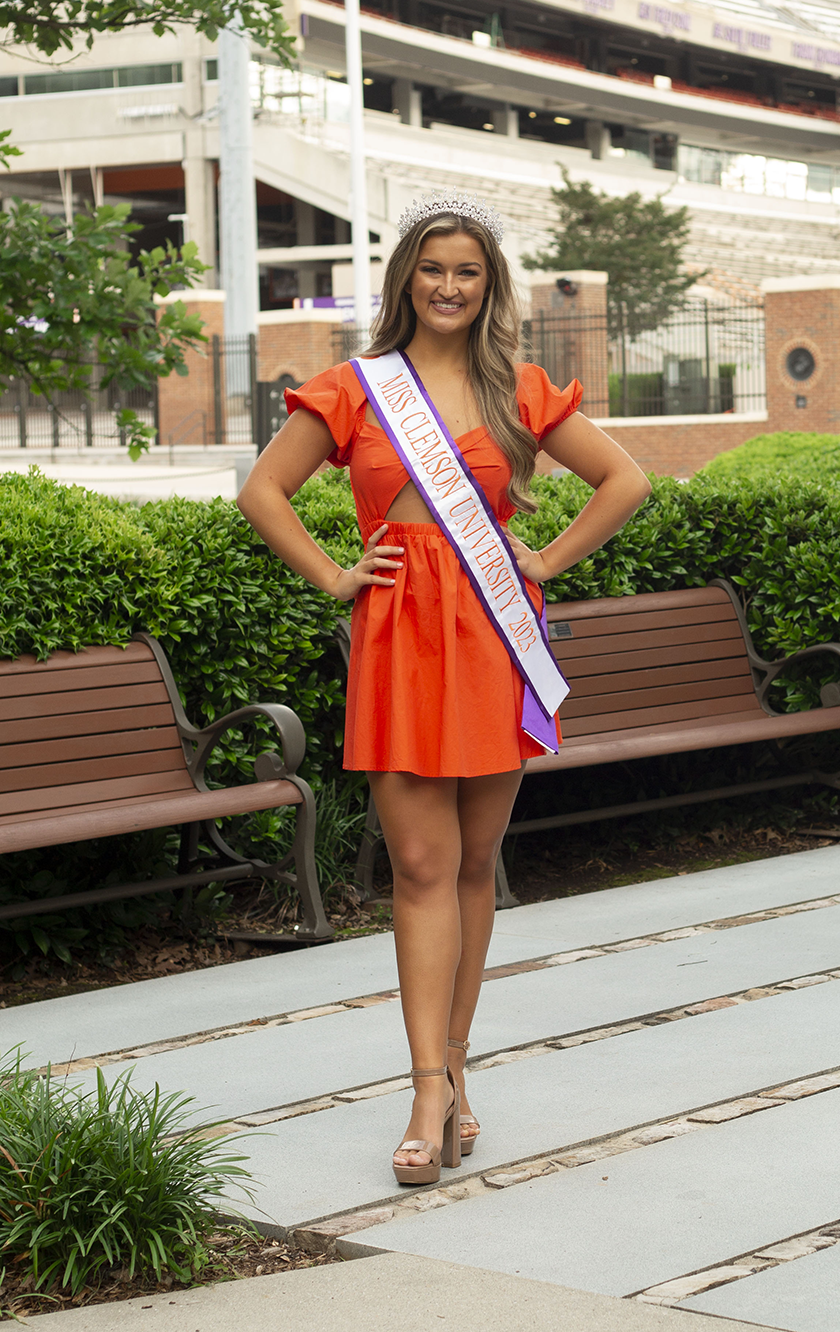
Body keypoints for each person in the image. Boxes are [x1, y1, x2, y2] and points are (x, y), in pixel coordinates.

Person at [237, 193, 650, 1186]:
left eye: (468, 271)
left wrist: (543, 560)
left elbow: (626, 480)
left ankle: (459, 1074)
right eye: (433, 270)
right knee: (420, 866)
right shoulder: (355, 387)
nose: (450, 287)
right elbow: (261, 491)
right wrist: (337, 575)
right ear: (406, 281)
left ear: (488, 283)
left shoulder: (522, 391)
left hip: (493, 636)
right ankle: (428, 1087)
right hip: (398, 637)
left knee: (474, 865)